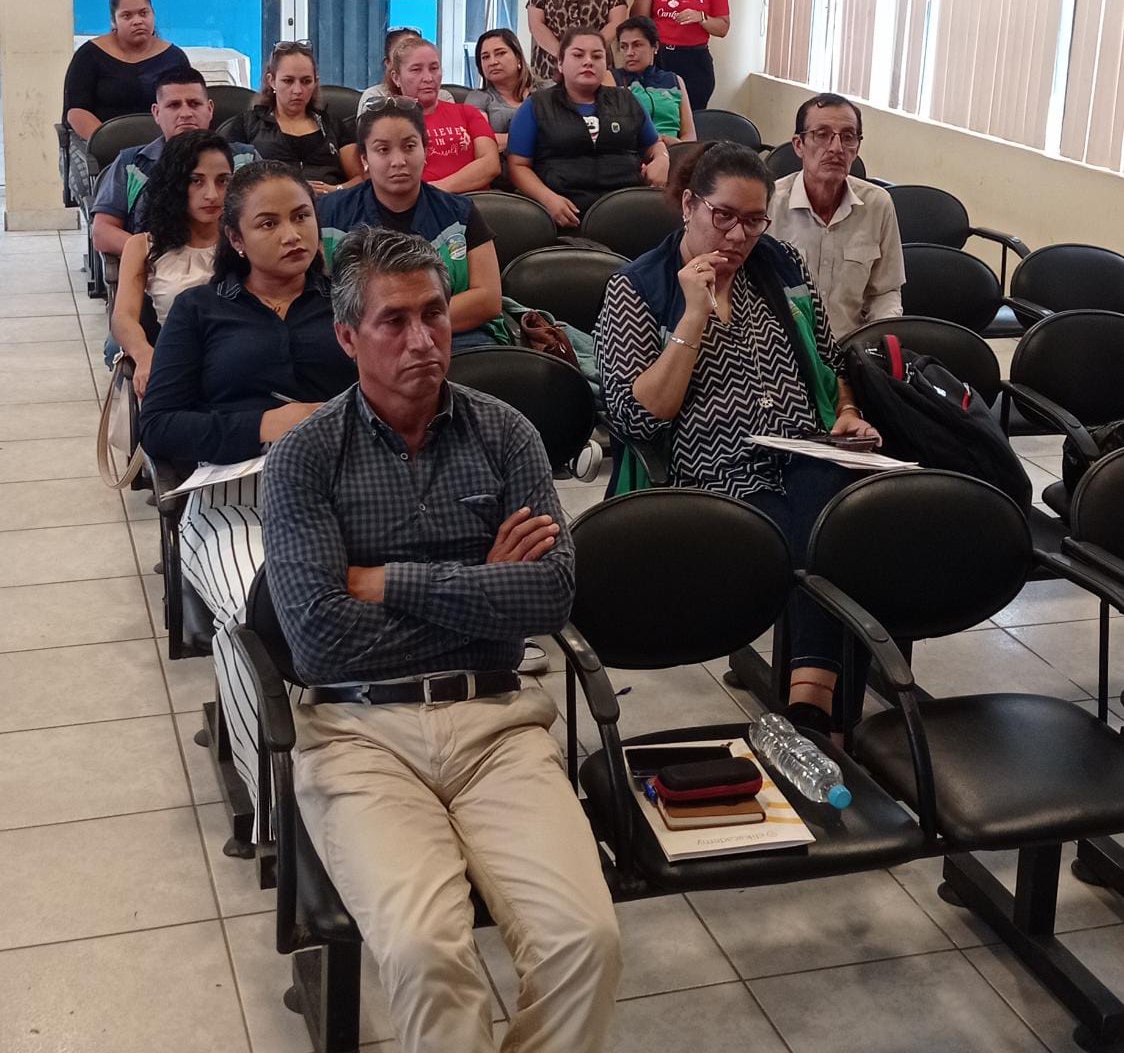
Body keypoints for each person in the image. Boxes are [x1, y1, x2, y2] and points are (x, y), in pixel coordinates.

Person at [261, 226, 621, 1053]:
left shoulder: (506, 434)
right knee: (429, 955)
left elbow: (549, 593)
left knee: (585, 943)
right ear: (347, 337)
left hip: (496, 722)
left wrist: (384, 580)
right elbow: (318, 641)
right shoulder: (305, 459)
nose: (424, 339)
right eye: (394, 321)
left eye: (434, 313)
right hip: (358, 734)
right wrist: (483, 586)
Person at [596, 142, 881, 733]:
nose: (738, 235)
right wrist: (692, 315)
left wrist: (847, 412)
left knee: (853, 510)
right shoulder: (637, 286)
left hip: (805, 451)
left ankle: (811, 703)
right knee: (824, 530)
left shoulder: (780, 263)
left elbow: (831, 361)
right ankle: (817, 705)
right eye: (722, 216)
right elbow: (638, 419)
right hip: (711, 473)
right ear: (688, 205)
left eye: (754, 221)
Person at [140, 161, 357, 830]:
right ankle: (279, 813)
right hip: (235, 496)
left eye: (301, 217)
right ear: (235, 238)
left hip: (344, 487)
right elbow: (160, 426)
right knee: (258, 608)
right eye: (268, 223)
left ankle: (360, 770)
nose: (292, 234)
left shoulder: (351, 300)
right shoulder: (200, 310)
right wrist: (262, 425)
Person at [318, 100, 505, 351]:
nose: (398, 161)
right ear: (364, 158)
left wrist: (401, 324)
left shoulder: (459, 213)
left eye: (409, 146)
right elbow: (314, 296)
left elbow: (488, 299)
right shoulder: (329, 213)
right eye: (383, 150)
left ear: (425, 150)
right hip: (361, 343)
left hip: (454, 337)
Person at [768, 93, 905, 339]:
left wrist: (881, 340)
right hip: (785, 345)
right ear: (799, 145)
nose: (836, 148)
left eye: (848, 137)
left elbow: (885, 292)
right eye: (822, 135)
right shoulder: (769, 204)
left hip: (851, 346)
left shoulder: (877, 204)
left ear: (857, 148)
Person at [507, 26, 669, 227]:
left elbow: (654, 145)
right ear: (560, 63)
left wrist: (662, 159)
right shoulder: (536, 105)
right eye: (578, 55)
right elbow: (518, 166)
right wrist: (547, 198)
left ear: (606, 64)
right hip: (564, 214)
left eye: (597, 56)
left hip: (629, 210)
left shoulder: (627, 100)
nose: (588, 62)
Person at [111, 131, 232, 399]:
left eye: (223, 181)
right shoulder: (142, 246)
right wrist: (144, 354)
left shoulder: (244, 241)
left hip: (240, 364)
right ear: (175, 184)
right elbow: (123, 317)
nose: (212, 194)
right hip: (178, 364)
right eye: (196, 181)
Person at [90, 65, 257, 258]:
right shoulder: (132, 165)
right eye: (174, 105)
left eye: (194, 104)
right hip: (154, 267)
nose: (185, 113)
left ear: (210, 109)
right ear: (156, 113)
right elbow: (102, 232)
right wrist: (160, 256)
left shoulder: (246, 159)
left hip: (237, 265)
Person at [223, 41, 362, 195]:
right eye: (288, 81)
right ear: (271, 81)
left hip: (330, 205)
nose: (297, 90)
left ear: (315, 82)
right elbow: (233, 184)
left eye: (306, 81)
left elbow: (361, 179)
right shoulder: (247, 124)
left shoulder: (333, 125)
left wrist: (334, 190)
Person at [62, 0, 190, 141]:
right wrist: (107, 144)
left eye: (144, 13)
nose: (137, 21)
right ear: (113, 21)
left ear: (153, 14)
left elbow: (187, 106)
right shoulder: (90, 55)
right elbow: (76, 112)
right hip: (104, 147)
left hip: (163, 145)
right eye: (127, 16)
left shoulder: (174, 58)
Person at [388, 36, 500, 191]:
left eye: (434, 68)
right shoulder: (385, 123)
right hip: (416, 203)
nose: (428, 78)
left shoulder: (467, 113)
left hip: (473, 202)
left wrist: (435, 191)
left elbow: (491, 164)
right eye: (416, 70)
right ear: (396, 78)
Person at [613, 15, 697, 145]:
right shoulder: (613, 79)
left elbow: (690, 135)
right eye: (624, 46)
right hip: (633, 150)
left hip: (675, 149)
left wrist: (676, 145)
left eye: (637, 45)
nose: (629, 52)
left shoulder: (674, 80)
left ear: (655, 47)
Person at [464, 28, 545, 150]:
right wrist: (538, 138)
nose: (492, 62)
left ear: (518, 57)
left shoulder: (548, 90)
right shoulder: (477, 98)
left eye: (500, 53)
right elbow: (482, 142)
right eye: (485, 57)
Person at [357, 25, 454, 114]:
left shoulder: (443, 98)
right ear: (388, 63)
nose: (428, 78)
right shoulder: (374, 98)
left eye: (433, 68)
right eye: (400, 52)